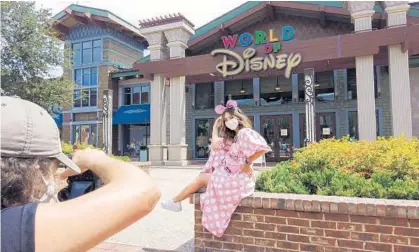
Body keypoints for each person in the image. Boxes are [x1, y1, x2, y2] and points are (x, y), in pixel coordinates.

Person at [1, 96, 161, 252]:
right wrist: (97, 159)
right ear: (36, 169)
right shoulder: (14, 228)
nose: (53, 179)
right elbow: (144, 191)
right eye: (54, 169)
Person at [161, 100, 271, 237]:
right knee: (202, 180)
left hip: (237, 178)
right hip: (233, 176)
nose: (229, 121)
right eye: (226, 120)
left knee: (201, 179)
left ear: (238, 117)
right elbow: (215, 145)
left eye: (231, 118)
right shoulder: (236, 136)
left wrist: (247, 163)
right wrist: (215, 126)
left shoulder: (244, 133)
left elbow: (262, 148)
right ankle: (177, 201)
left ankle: (175, 201)